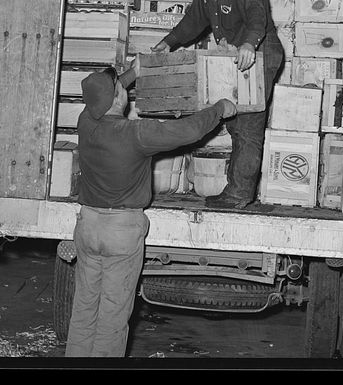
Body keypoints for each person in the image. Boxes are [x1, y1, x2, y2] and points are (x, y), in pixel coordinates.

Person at [65, 60, 237, 358]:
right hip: (121, 231)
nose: (124, 90)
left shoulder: (86, 122)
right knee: (113, 318)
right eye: (121, 87)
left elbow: (105, 94)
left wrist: (135, 71)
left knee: (84, 309)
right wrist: (220, 108)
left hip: (88, 227)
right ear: (118, 97)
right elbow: (189, 130)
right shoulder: (135, 134)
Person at [151, 0, 285, 210]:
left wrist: (250, 43)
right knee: (235, 123)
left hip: (260, 52)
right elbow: (195, 18)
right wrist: (169, 41)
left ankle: (239, 194)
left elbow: (256, 13)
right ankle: (236, 189)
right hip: (235, 53)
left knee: (248, 126)